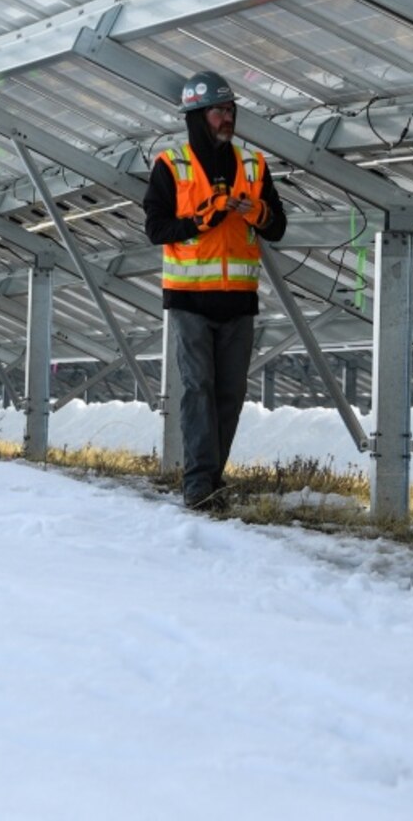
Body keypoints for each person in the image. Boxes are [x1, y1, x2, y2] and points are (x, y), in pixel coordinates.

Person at [143, 70, 287, 510]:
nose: (227, 118)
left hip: (239, 301)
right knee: (198, 387)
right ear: (197, 116)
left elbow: (277, 226)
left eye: (230, 110)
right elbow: (155, 228)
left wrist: (255, 211)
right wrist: (200, 221)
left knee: (230, 393)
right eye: (218, 111)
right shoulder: (172, 165)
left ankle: (212, 478)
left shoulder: (253, 166)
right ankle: (198, 483)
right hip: (189, 300)